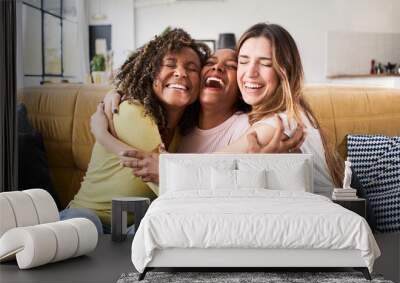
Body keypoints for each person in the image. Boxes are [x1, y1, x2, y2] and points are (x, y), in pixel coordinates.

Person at [108, 23, 344, 197]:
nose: (250, 72)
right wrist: (116, 93)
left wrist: (165, 169)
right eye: (243, 61)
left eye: (265, 63)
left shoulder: (278, 126)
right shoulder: (184, 123)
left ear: (286, 71)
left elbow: (209, 169)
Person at [60, 28, 210, 234]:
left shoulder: (184, 130)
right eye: (170, 64)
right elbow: (167, 186)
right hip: (85, 218)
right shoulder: (132, 112)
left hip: (128, 229)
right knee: (87, 227)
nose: (181, 72)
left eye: (192, 68)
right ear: (150, 72)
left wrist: (105, 136)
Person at [94, 48, 304, 184]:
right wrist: (117, 92)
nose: (217, 67)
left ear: (240, 87)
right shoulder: (178, 126)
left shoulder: (247, 127)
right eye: (210, 62)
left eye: (230, 66)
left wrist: (103, 135)